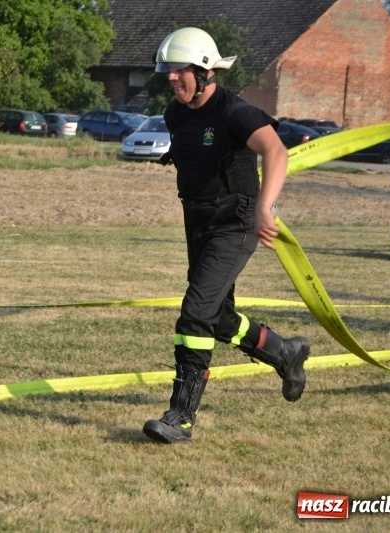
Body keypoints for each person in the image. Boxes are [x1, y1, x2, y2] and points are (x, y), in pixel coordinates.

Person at [142, 27, 310, 444]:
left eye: (178, 70)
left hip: (234, 223)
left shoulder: (234, 111)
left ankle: (180, 418)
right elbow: (194, 148)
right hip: (196, 221)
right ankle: (285, 353)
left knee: (195, 312)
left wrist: (264, 206)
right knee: (216, 317)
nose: (170, 78)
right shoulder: (175, 113)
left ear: (203, 71)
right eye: (167, 70)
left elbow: (276, 151)